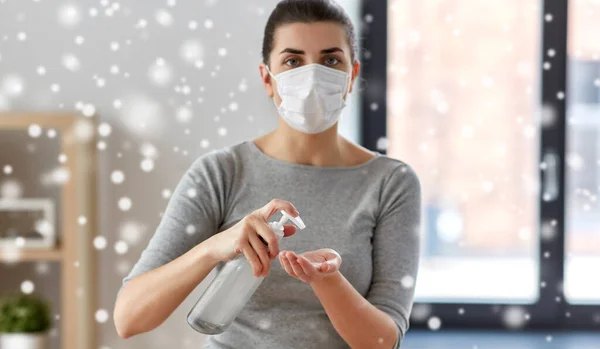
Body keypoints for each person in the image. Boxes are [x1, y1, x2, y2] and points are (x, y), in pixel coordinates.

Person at [113, 0, 421, 348]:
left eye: (331, 60)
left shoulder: (391, 183)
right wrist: (215, 247)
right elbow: (129, 318)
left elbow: (382, 341)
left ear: (352, 76)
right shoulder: (220, 174)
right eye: (293, 61)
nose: (312, 76)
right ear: (267, 78)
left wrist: (327, 281)